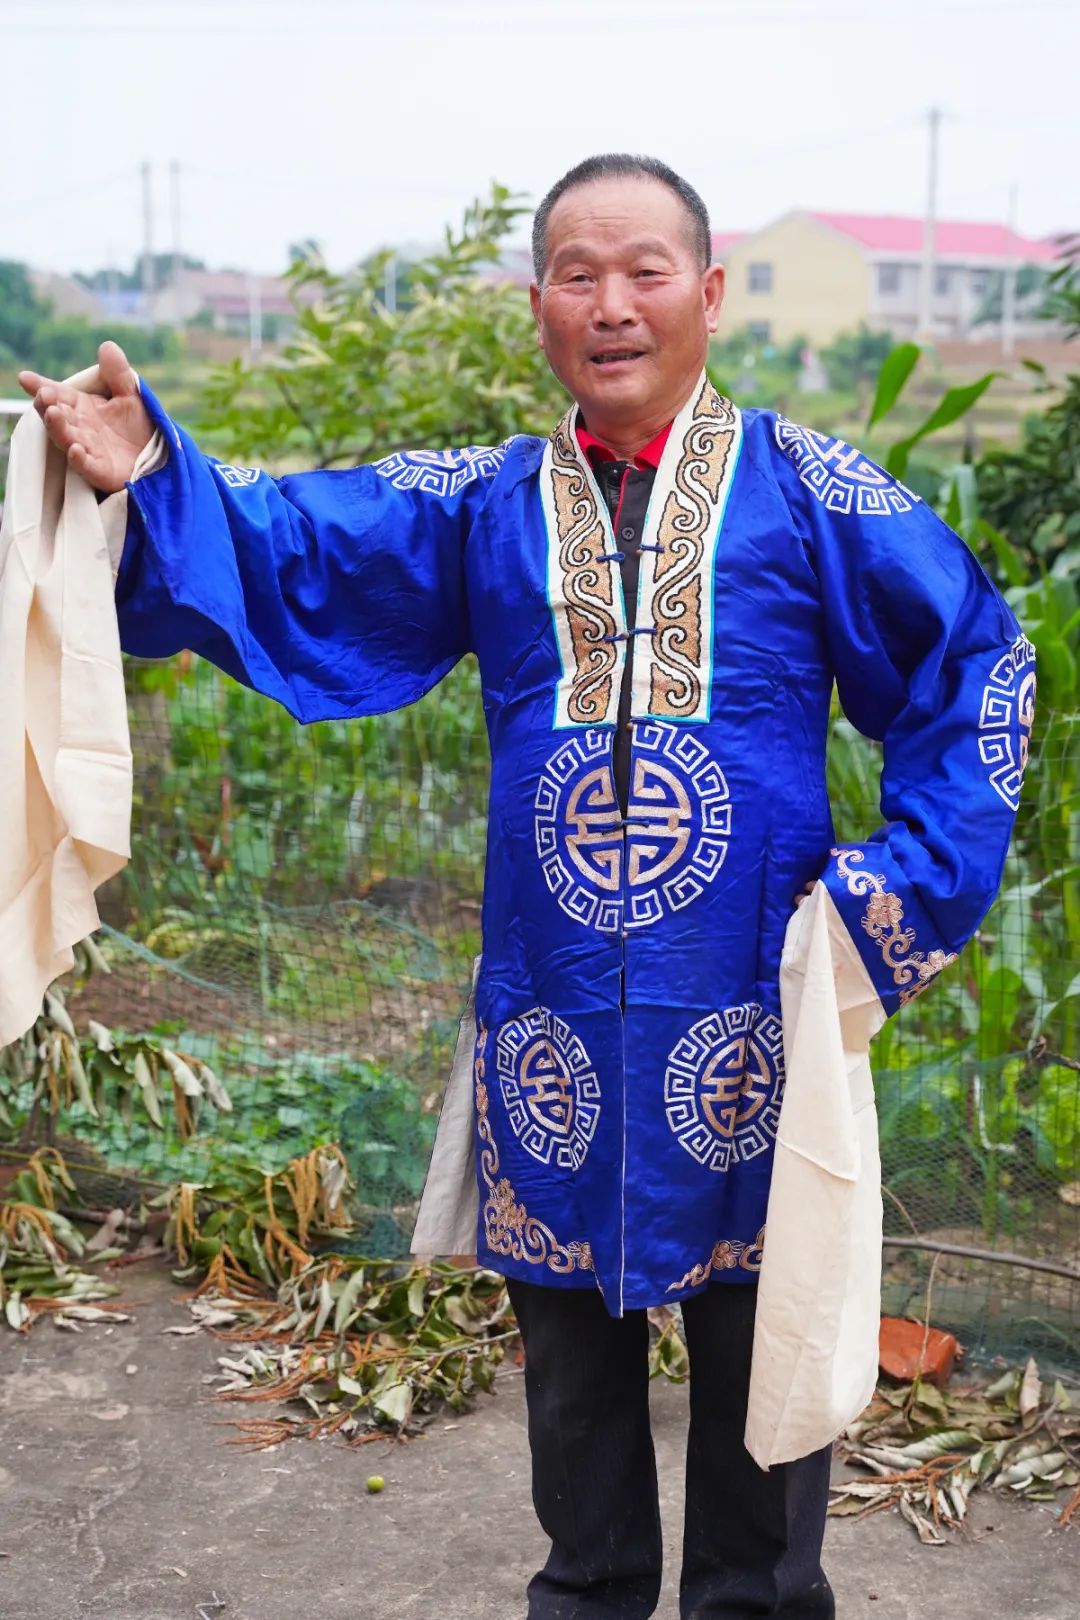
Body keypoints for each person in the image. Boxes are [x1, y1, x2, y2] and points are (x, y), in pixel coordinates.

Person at [20, 153, 1034, 1619]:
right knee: (570, 1395)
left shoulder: (816, 494)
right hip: (550, 1029)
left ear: (708, 294)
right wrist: (156, 473)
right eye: (577, 273)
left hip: (758, 1020)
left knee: (764, 1377)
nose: (612, 304)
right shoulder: (485, 503)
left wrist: (892, 901)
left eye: (645, 271)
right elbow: (297, 542)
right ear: (539, 304)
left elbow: (976, 663)